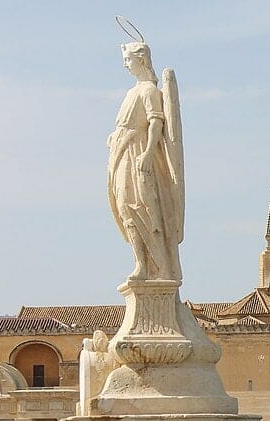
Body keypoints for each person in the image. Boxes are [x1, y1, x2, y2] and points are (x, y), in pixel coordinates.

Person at [107, 40, 184, 282]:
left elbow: (156, 122)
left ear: (141, 60)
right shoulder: (131, 92)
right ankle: (141, 265)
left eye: (128, 59)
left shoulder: (149, 90)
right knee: (125, 206)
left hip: (139, 153)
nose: (125, 64)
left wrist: (149, 152)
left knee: (144, 208)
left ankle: (162, 267)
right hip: (122, 152)